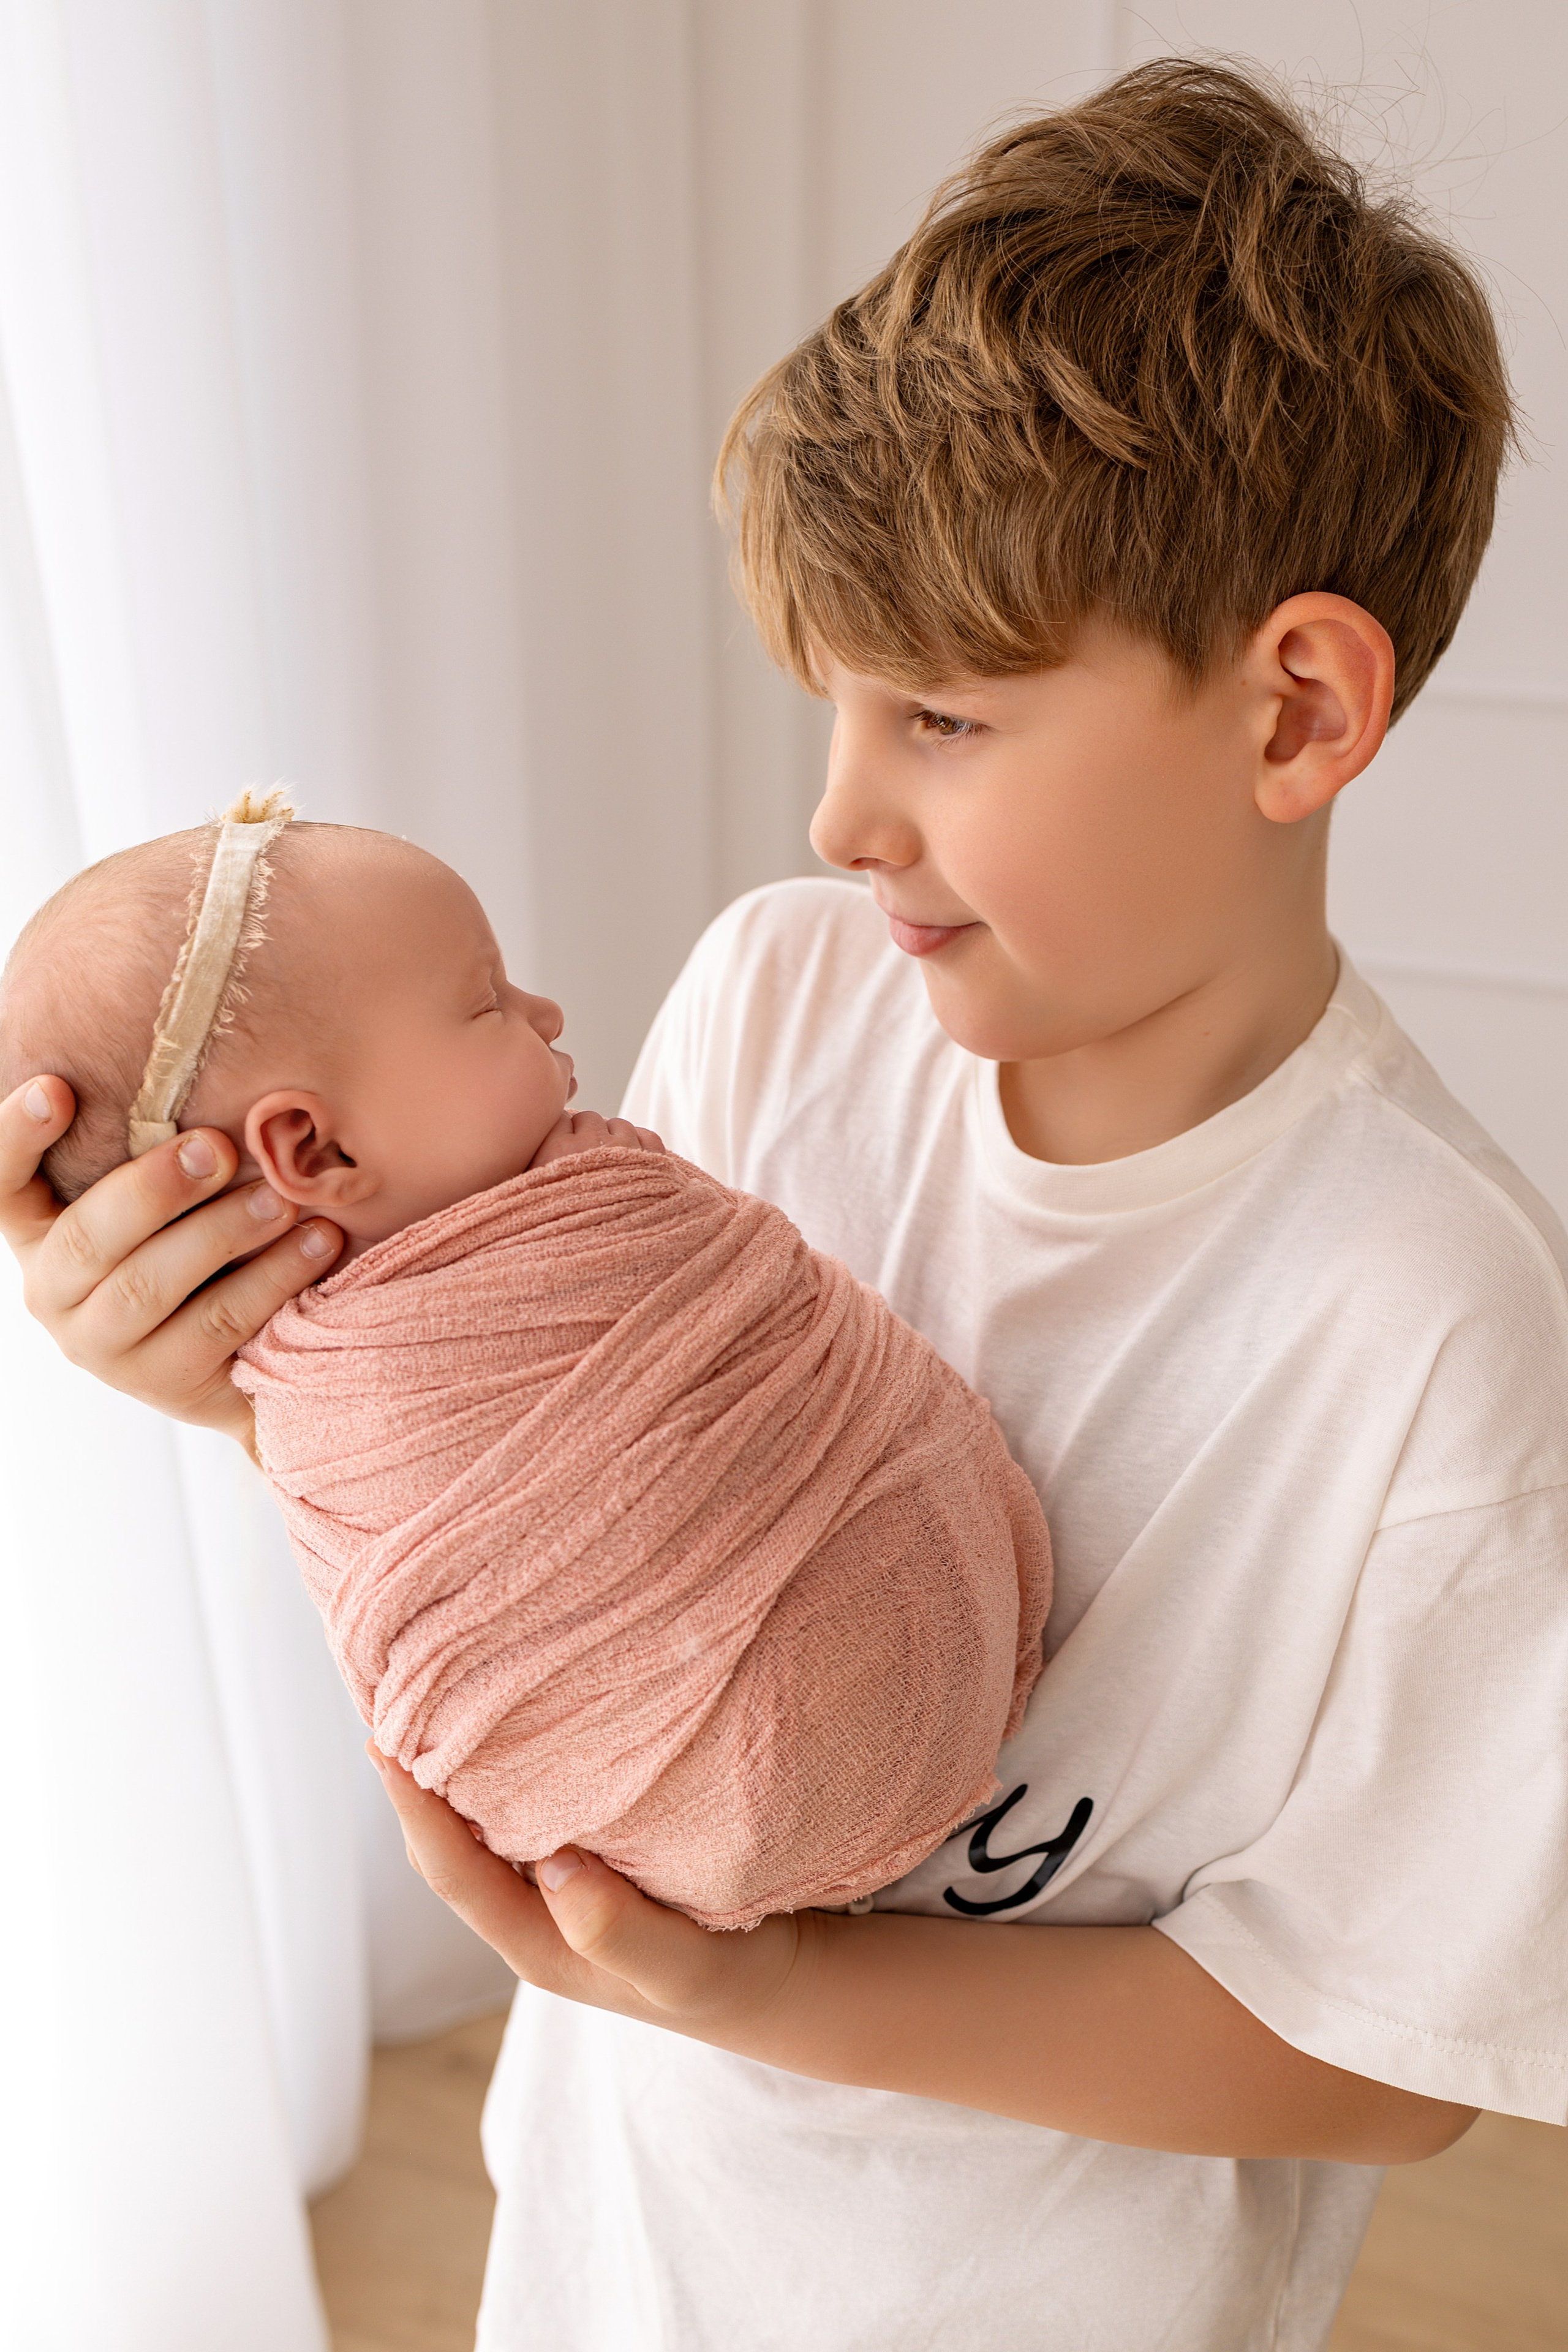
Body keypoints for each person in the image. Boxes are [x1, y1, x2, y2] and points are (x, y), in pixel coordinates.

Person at [3, 56, 1565, 2352]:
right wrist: (248, 1377)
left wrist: (758, 1985)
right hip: (613, 2233)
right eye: (832, 712)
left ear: (1298, 711)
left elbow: (1369, 2055)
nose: (840, 815)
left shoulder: (1427, 1322)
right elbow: (587, 1518)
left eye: (939, 719)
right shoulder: (778, 997)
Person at [0, 805, 1047, 1929]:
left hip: (780, 1809)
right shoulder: (328, 1402)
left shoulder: (602, 1207)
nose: (546, 1013)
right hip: (707, 1819)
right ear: (316, 1149)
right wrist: (249, 1418)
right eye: (487, 1000)